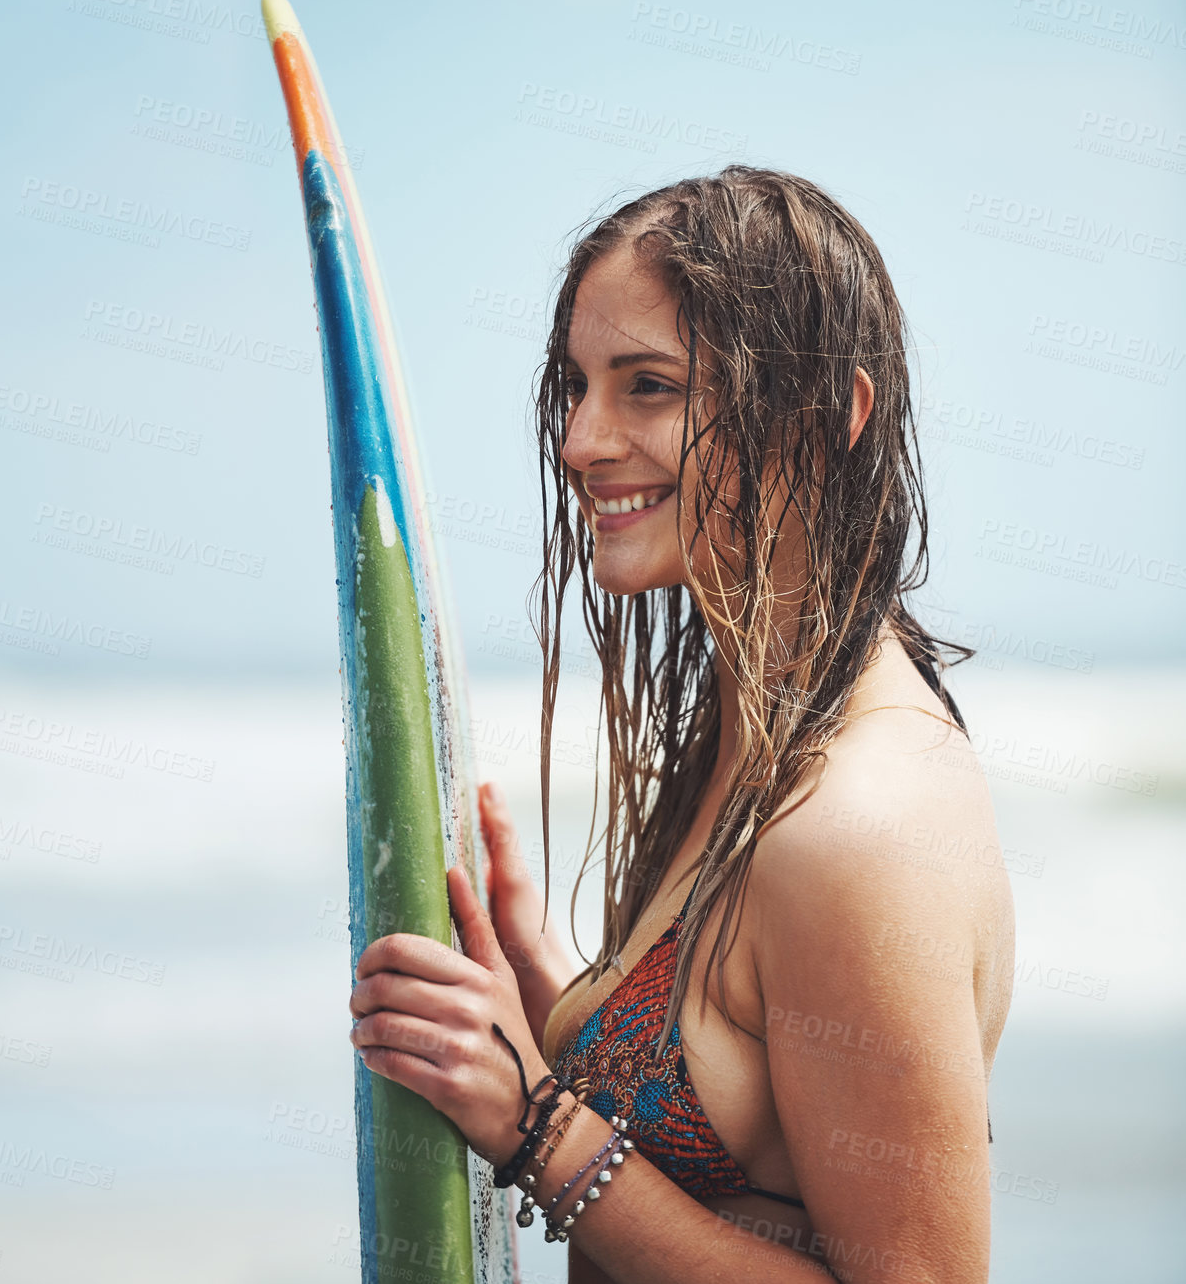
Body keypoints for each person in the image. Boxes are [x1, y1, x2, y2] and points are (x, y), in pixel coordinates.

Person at [348, 165, 1015, 1282]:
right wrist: (549, 995)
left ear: (827, 416)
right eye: (576, 384)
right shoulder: (757, 733)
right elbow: (745, 1100)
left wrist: (531, 1123)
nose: (578, 440)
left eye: (646, 386)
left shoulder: (852, 827)